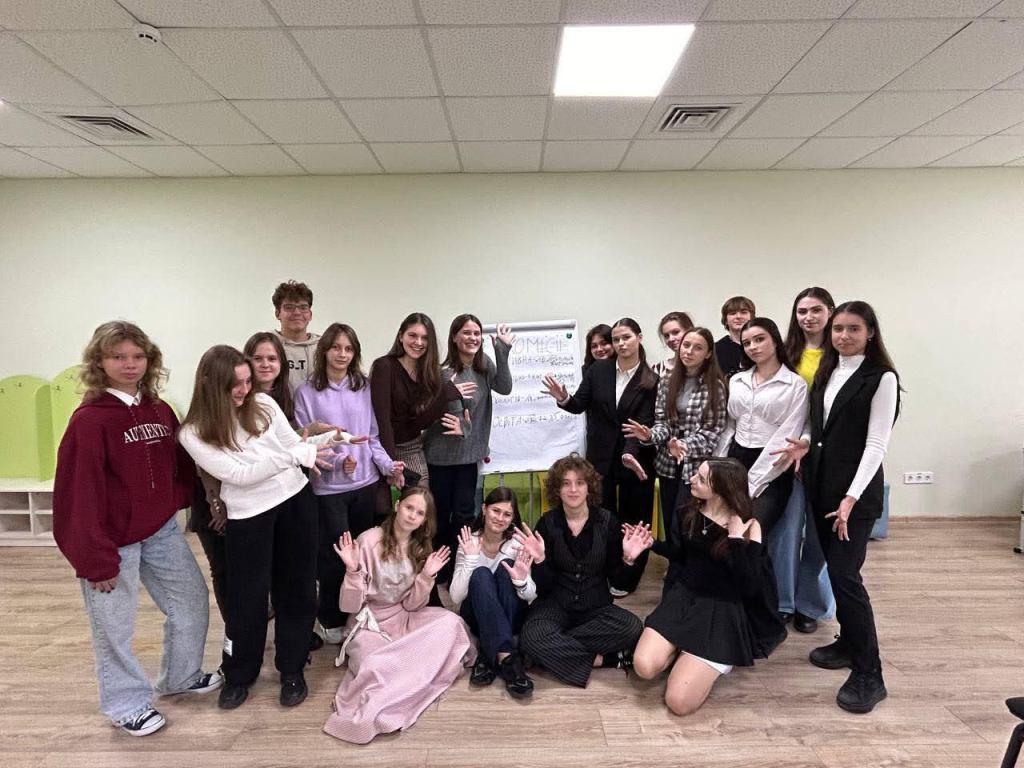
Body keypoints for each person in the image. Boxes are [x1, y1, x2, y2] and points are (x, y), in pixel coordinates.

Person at [53, 321, 221, 737]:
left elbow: (179, 464)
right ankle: (125, 704)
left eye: (137, 356)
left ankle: (180, 675)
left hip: (161, 530)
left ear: (150, 361)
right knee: (114, 626)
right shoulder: (90, 421)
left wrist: (176, 499)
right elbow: (78, 495)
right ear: (100, 362)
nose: (129, 364)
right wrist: (95, 560)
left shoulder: (159, 410)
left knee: (191, 600)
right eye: (118, 357)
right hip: (112, 542)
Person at [179, 345, 343, 710]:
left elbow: (294, 445)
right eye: (234, 384)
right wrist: (295, 456)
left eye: (247, 382)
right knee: (246, 597)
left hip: (295, 503)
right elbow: (239, 475)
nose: (244, 390)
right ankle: (239, 674)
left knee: (298, 589)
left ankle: (292, 668)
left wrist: (320, 443)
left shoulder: (264, 404)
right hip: (249, 517)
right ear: (209, 383)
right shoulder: (193, 432)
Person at [774, 301, 901, 714]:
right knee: (837, 571)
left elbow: (876, 445)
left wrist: (851, 498)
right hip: (822, 489)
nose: (844, 336)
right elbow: (821, 427)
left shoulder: (881, 378)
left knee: (847, 578)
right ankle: (848, 643)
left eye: (853, 329)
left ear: (870, 333)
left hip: (854, 499)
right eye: (839, 329)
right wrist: (804, 444)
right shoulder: (828, 370)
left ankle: (870, 674)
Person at [633, 459, 786, 716]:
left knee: (678, 703)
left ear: (721, 490)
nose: (692, 479)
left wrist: (735, 540)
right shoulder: (690, 512)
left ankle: (707, 660)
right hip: (685, 598)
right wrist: (652, 545)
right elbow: (683, 556)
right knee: (643, 667)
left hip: (721, 611)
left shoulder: (749, 527)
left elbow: (749, 586)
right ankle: (683, 652)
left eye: (701, 479)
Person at [324, 487, 476, 743]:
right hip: (369, 623)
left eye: (419, 513)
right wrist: (352, 570)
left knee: (452, 623)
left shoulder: (420, 547)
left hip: (403, 617)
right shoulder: (369, 540)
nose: (412, 515)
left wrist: (426, 575)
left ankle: (410, 668)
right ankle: (409, 674)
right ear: (397, 506)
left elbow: (413, 606)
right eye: (409, 508)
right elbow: (349, 606)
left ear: (424, 521)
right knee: (376, 666)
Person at [294, 323, 403, 646]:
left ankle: (360, 612)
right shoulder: (306, 393)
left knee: (364, 555)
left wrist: (388, 466)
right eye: (336, 347)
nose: (342, 354)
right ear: (324, 350)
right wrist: (341, 461)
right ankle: (331, 619)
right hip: (328, 490)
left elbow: (372, 437)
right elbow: (305, 442)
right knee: (334, 559)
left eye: (349, 349)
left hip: (365, 486)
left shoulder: (364, 388)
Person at [517, 455, 653, 688]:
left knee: (631, 627)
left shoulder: (607, 522)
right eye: (566, 483)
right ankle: (605, 659)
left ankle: (545, 652)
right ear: (557, 489)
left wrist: (629, 559)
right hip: (554, 606)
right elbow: (543, 588)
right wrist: (540, 561)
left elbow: (618, 581)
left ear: (589, 487)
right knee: (532, 635)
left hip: (595, 608)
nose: (573, 489)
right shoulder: (547, 523)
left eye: (579, 483)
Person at [542, 318, 658, 541]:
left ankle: (633, 560)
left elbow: (642, 423)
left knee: (635, 519)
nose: (621, 344)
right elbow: (579, 404)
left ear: (639, 338)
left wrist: (629, 453)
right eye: (616, 339)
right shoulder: (598, 370)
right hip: (600, 456)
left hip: (635, 457)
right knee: (600, 517)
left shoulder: (651, 379)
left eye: (626, 337)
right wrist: (564, 398)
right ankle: (601, 559)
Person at [622, 327, 727, 558]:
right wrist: (650, 435)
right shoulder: (668, 380)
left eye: (697, 348)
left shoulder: (715, 386)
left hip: (696, 469)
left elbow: (712, 432)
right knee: (670, 522)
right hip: (668, 466)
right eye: (686, 345)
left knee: (688, 527)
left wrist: (683, 445)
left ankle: (690, 571)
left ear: (708, 353)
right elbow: (663, 422)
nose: (689, 351)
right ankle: (675, 569)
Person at [768, 288, 838, 634]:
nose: (808, 317)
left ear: (830, 312)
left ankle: (809, 604)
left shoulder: (841, 355)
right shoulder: (786, 353)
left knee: (820, 537)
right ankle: (783, 601)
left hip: (828, 457)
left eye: (815, 310)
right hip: (789, 454)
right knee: (784, 531)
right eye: (801, 311)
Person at [424, 315, 514, 583]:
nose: (472, 338)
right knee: (440, 514)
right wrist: (464, 425)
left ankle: (461, 565)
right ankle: (441, 568)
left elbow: (505, 387)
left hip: (468, 455)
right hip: (441, 455)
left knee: (465, 514)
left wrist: (502, 351)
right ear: (454, 337)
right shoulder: (444, 372)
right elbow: (453, 414)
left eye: (476, 333)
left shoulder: (483, 366)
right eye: (466, 332)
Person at [717, 318, 807, 539]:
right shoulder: (737, 380)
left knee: (753, 533)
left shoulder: (795, 384)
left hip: (773, 462)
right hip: (736, 459)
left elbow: (788, 433)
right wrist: (717, 464)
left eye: (759, 339)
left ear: (775, 340)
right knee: (725, 531)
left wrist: (753, 482)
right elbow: (730, 425)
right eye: (747, 343)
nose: (753, 347)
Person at [449, 487, 536, 697]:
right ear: (484, 509)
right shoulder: (470, 541)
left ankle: (488, 656)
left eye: (507, 514)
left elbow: (531, 596)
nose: (500, 518)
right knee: (480, 574)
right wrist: (471, 560)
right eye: (496, 511)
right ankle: (507, 656)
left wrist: (521, 580)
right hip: (476, 615)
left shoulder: (517, 543)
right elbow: (456, 596)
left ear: (513, 518)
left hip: (511, 613)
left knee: (506, 568)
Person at [370, 312, 468, 489]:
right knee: (381, 502)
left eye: (425, 338)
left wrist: (446, 395)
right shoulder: (384, 367)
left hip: (411, 446)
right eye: (412, 335)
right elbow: (382, 421)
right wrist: (392, 466)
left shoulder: (430, 374)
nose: (418, 342)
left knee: (421, 497)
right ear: (401, 336)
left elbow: (420, 423)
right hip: (379, 447)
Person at [271, 280, 319, 392]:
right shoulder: (266, 346)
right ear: (277, 313)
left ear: (310, 314)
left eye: (303, 307)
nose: (297, 312)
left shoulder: (323, 347)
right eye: (289, 307)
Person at [715, 296, 755, 378]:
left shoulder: (760, 346)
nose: (738, 316)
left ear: (752, 317)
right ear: (725, 320)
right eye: (733, 313)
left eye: (743, 312)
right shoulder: (715, 349)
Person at [650, 311, 694, 379]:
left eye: (676, 332)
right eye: (666, 336)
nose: (671, 339)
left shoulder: (706, 365)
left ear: (690, 330)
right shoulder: (658, 369)